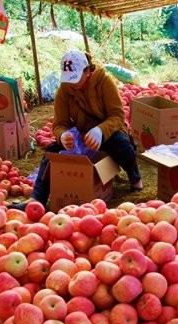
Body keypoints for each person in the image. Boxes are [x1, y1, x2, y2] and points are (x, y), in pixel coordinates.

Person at [9, 50, 143, 211]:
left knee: (120, 143)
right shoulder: (64, 91)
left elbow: (117, 116)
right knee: (52, 150)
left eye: (77, 78)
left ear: (88, 71)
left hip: (108, 131)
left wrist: (100, 130)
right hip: (81, 136)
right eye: (69, 79)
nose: (73, 84)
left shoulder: (104, 82)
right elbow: (59, 123)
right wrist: (63, 135)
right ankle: (37, 199)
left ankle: (135, 180)